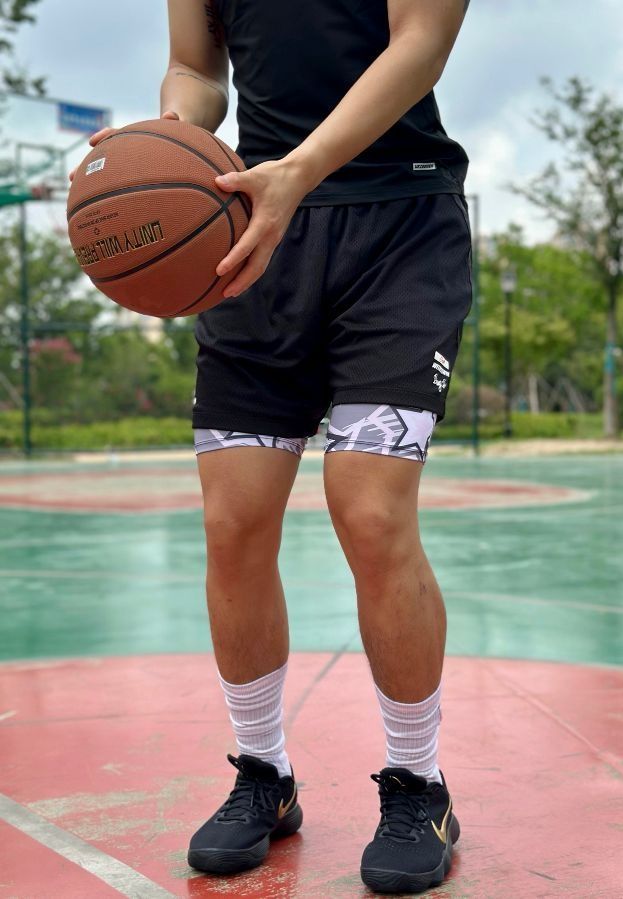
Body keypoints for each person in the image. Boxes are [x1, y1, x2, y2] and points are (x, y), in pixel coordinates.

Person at [88, 0, 472, 892]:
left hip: (398, 226)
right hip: (254, 232)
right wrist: (168, 138)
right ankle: (264, 771)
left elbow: (421, 44)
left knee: (370, 511)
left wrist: (299, 169)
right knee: (234, 521)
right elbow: (197, 67)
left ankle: (419, 783)